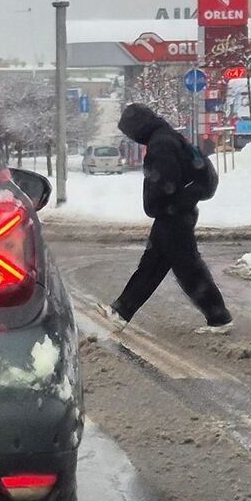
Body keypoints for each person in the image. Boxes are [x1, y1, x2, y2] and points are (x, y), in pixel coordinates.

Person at [98, 103, 234, 335]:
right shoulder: (167, 136)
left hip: (173, 213)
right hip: (175, 212)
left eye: (129, 132)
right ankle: (121, 311)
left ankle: (219, 317)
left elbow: (165, 182)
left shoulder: (161, 144)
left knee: (188, 268)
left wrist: (158, 203)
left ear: (137, 127)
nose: (131, 137)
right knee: (154, 264)